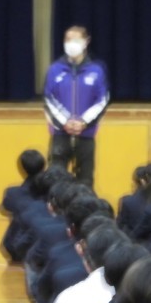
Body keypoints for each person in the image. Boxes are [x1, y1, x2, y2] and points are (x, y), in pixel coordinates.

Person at [43, 25, 110, 187]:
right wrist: (65, 122)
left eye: (75, 39)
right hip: (60, 134)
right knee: (55, 182)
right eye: (67, 39)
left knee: (85, 182)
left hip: (86, 134)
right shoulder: (55, 69)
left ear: (86, 41)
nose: (71, 43)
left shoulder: (96, 70)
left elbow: (102, 100)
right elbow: (49, 99)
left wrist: (84, 122)